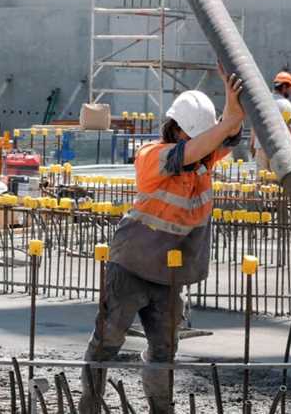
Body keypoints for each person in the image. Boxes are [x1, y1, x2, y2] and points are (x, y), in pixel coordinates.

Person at [79, 67, 245, 414]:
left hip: (168, 276)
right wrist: (225, 122)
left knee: (164, 347)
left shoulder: (204, 159)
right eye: (192, 135)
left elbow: (227, 139)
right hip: (131, 266)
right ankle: (90, 403)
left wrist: (234, 114)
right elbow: (192, 150)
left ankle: (160, 407)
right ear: (175, 128)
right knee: (109, 337)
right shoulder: (153, 155)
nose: (201, 143)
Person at [250, 70, 291, 173]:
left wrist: (252, 144)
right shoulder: (286, 104)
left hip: (260, 147)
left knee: (261, 183)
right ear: (284, 87)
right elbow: (287, 127)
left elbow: (254, 125)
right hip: (277, 150)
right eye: (290, 88)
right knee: (275, 183)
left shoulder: (261, 101)